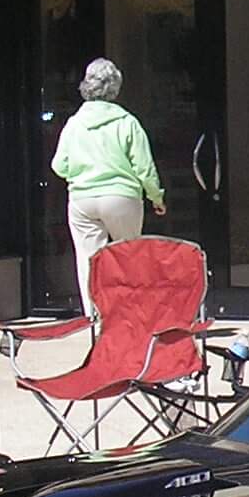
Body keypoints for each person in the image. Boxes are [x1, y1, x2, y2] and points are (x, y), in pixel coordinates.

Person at [52, 56, 166, 315]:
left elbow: (59, 165)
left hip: (83, 198)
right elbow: (144, 168)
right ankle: (133, 312)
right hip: (121, 197)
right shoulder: (127, 122)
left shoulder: (74, 124)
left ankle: (95, 316)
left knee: (88, 259)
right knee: (129, 256)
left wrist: (80, 172)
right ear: (115, 88)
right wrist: (156, 197)